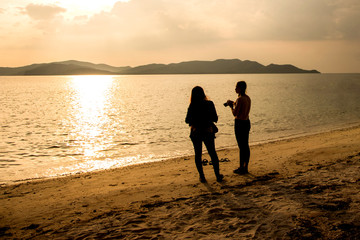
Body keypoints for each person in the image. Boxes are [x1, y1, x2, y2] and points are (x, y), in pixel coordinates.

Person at [185, 86, 224, 183]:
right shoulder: (209, 104)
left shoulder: (192, 105)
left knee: (198, 154)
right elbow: (215, 118)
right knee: (212, 153)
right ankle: (217, 175)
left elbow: (187, 120)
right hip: (207, 131)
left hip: (196, 132)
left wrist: (195, 121)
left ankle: (202, 176)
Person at [226, 81, 251, 174]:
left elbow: (235, 113)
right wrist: (234, 103)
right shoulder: (247, 98)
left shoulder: (240, 99)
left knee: (241, 146)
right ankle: (245, 166)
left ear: (240, 88)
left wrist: (231, 107)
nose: (235, 89)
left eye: (236, 87)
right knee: (246, 145)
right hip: (246, 122)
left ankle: (241, 167)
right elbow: (242, 109)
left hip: (240, 123)